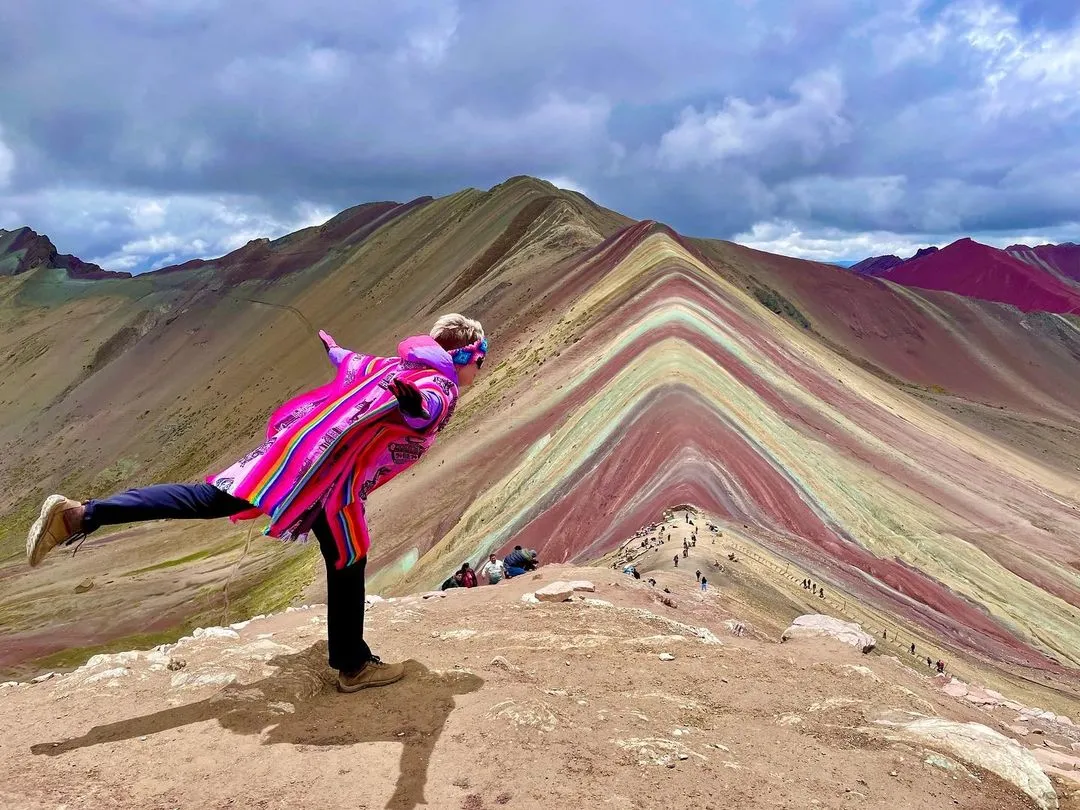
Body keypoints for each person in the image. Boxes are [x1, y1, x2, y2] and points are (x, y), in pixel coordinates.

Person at [25, 314, 487, 694]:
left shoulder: (393, 366)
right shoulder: (440, 386)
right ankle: (353, 665)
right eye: (479, 362)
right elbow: (426, 407)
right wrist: (416, 407)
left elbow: (353, 361)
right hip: (328, 481)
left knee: (208, 499)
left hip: (293, 455)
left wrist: (334, 349)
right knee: (349, 555)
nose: (477, 373)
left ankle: (81, 514)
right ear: (464, 357)